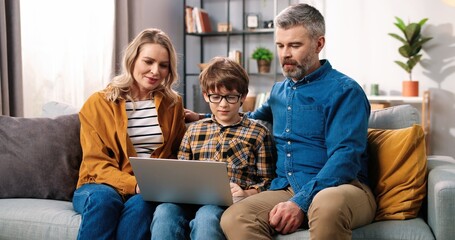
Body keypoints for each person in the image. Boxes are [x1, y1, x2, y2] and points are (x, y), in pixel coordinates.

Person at [209, 3, 376, 239]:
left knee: (326, 204)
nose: (285, 53)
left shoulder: (345, 91)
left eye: (295, 45)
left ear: (319, 44)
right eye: (280, 45)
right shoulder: (278, 91)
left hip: (343, 188)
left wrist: (301, 202)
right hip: (286, 188)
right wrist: (205, 117)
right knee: (235, 217)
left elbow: (345, 158)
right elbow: (248, 120)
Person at [72, 28, 186, 240]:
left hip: (148, 189)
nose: (155, 71)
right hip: (99, 185)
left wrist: (202, 117)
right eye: (148, 61)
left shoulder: (173, 104)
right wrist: (134, 184)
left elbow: (179, 150)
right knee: (105, 202)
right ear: (133, 59)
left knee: (143, 206)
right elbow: (96, 164)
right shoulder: (98, 103)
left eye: (163, 65)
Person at [150, 57, 276, 240]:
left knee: (207, 216)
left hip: (228, 203)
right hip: (191, 199)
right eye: (215, 97)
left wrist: (246, 193)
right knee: (164, 211)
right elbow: (181, 171)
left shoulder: (258, 133)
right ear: (205, 95)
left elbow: (269, 181)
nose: (223, 104)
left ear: (243, 96)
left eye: (231, 97)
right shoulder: (194, 130)